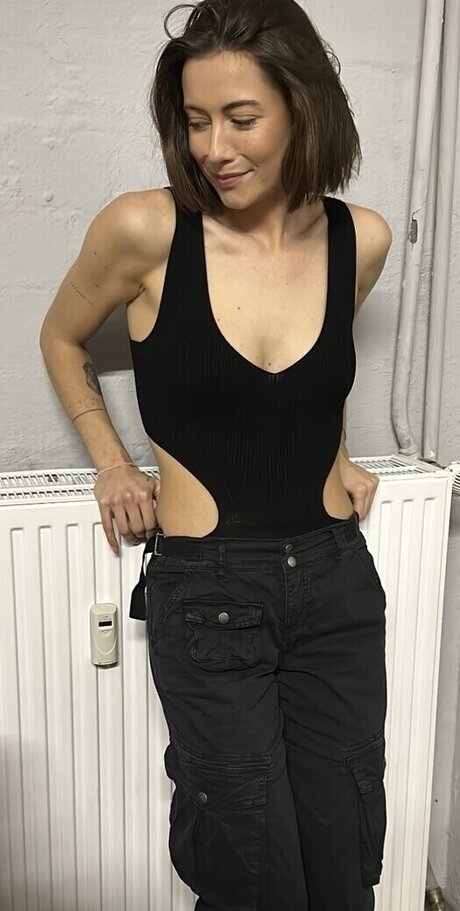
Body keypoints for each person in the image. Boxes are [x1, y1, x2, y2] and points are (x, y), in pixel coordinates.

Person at [39, 0, 393, 908]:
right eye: (196, 121)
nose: (213, 148)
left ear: (304, 109)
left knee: (343, 862)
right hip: (210, 595)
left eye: (240, 118)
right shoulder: (145, 230)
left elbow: (312, 374)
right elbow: (61, 337)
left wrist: (340, 453)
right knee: (251, 870)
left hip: (337, 585)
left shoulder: (361, 239)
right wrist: (111, 461)